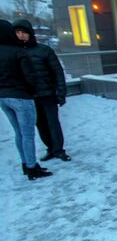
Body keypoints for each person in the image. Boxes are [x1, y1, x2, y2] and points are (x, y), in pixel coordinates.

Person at [0, 19, 52, 180]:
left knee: (19, 133)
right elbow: (30, 76)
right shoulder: (18, 52)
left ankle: (25, 163)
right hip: (21, 97)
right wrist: (31, 91)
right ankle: (32, 167)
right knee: (28, 134)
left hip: (3, 97)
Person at [13, 19, 71, 161]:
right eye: (18, 33)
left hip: (47, 93)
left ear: (30, 33)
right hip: (29, 95)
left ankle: (58, 149)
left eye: (24, 32)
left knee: (53, 122)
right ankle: (50, 148)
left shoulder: (43, 50)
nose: (21, 36)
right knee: (40, 124)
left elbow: (57, 72)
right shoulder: (15, 52)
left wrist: (61, 92)